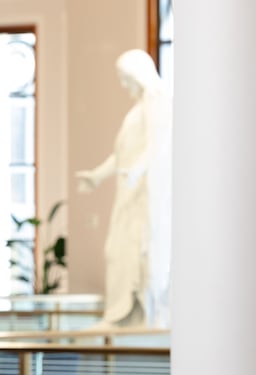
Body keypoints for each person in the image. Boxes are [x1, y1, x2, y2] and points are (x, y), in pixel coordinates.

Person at [76, 49, 172, 328]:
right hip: (129, 197)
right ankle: (123, 314)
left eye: (124, 78)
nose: (122, 85)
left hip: (143, 199)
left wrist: (138, 172)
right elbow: (122, 155)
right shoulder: (138, 110)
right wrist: (97, 176)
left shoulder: (158, 101)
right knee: (117, 252)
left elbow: (160, 146)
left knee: (130, 253)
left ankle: (137, 314)